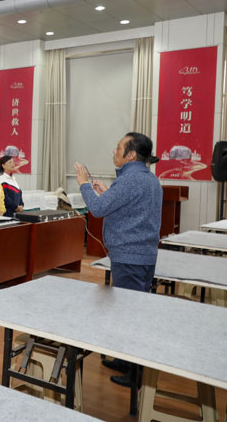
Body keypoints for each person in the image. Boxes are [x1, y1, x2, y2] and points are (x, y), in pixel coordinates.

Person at [75, 132, 162, 388]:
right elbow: (129, 208)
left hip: (130, 257)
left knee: (129, 315)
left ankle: (135, 375)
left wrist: (84, 184)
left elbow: (98, 209)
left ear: (131, 154)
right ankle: (126, 361)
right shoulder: (148, 179)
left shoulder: (130, 179)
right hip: (142, 256)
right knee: (131, 310)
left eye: (118, 147)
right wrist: (107, 192)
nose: (114, 151)